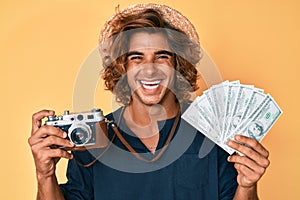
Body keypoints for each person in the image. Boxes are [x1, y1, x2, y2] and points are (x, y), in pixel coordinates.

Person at [28, 3, 270, 200]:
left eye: (162, 56)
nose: (149, 69)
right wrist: (45, 175)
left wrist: (247, 187)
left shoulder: (212, 133)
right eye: (136, 58)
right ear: (122, 68)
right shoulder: (92, 136)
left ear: (178, 65)